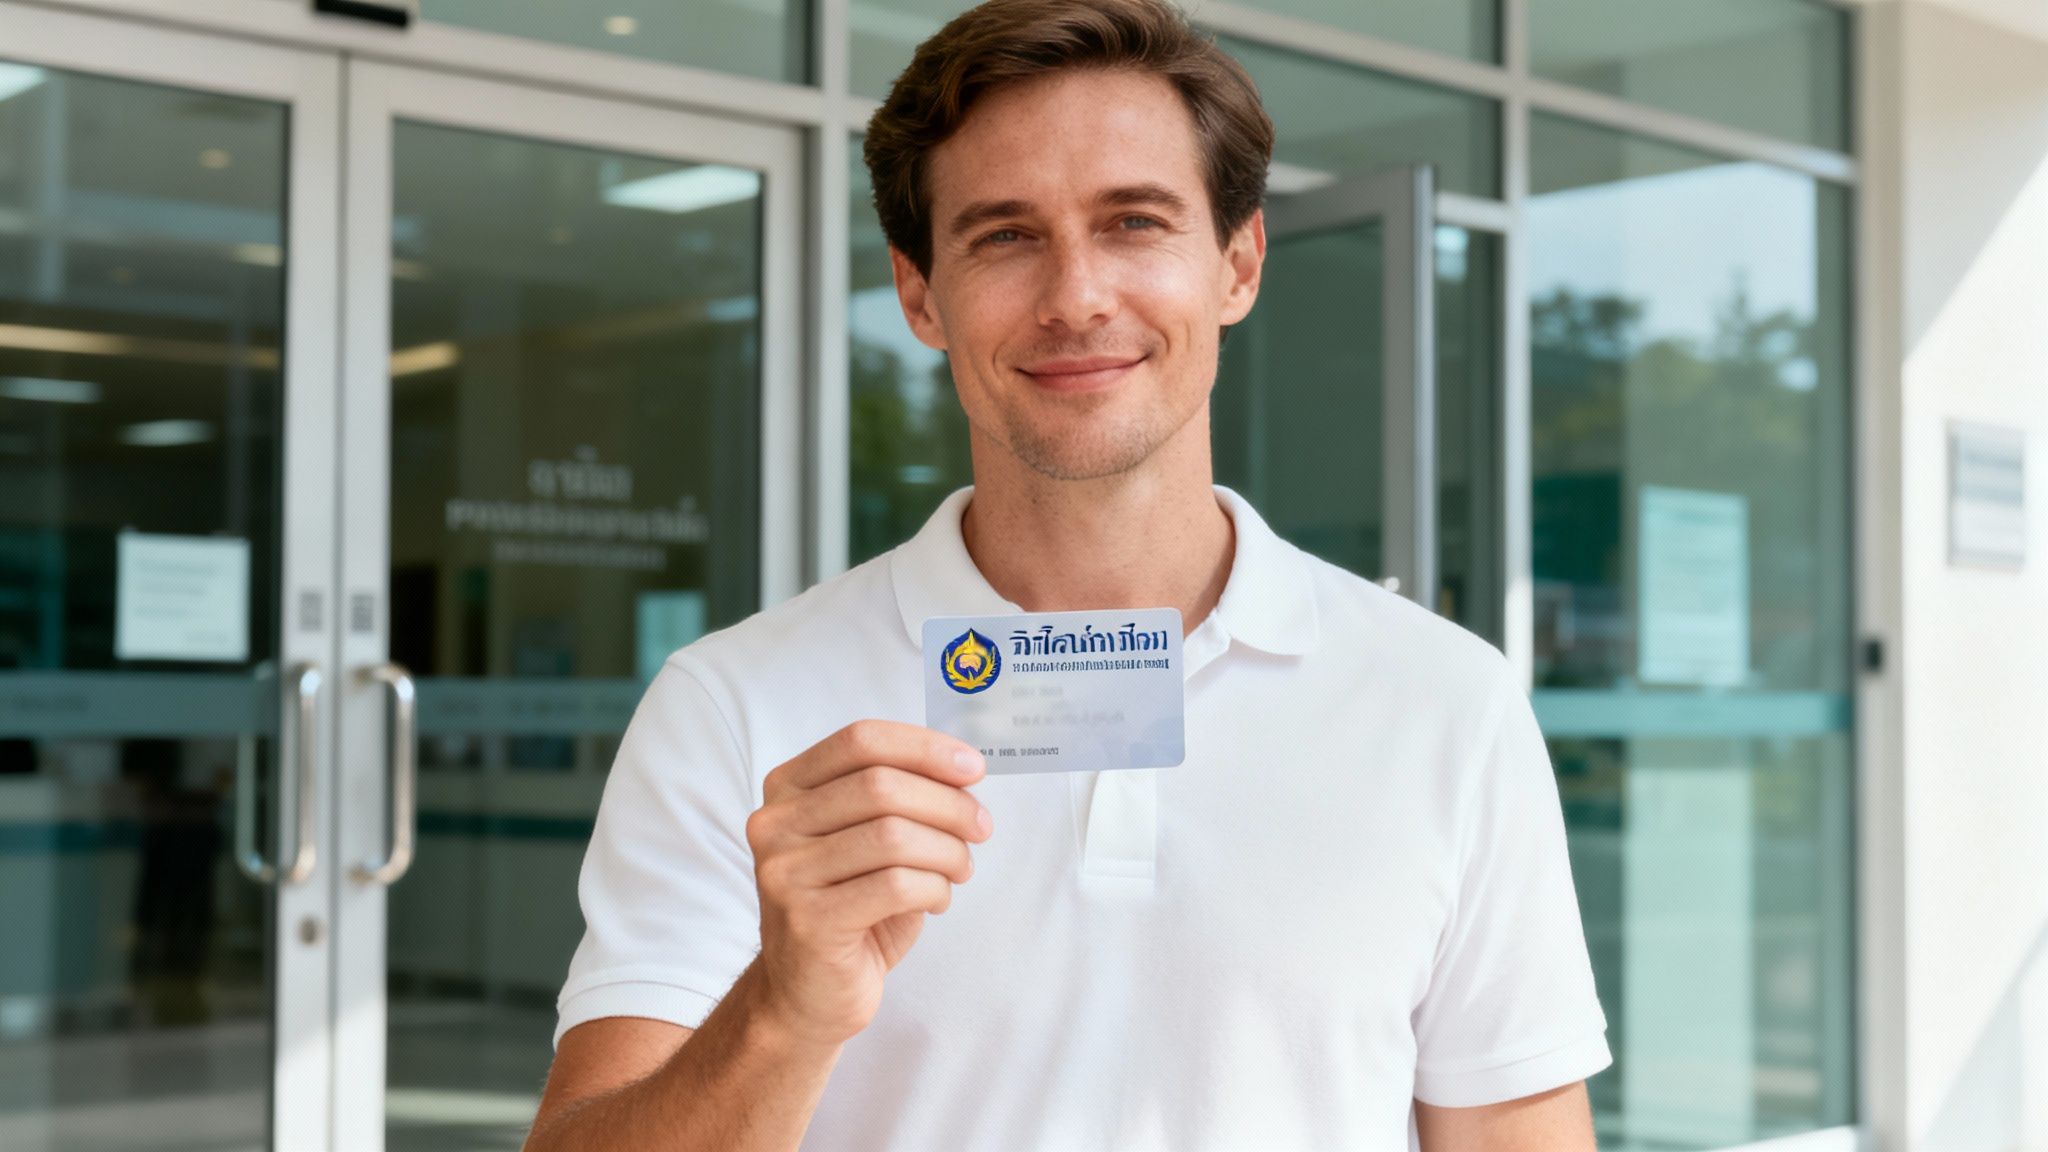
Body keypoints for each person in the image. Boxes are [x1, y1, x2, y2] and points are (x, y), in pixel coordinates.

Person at [524, 1, 1611, 1148]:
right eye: (1003, 235)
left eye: (1133, 222)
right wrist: (783, 1012)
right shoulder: (734, 706)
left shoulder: (1443, 702)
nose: (1075, 297)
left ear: (1237, 264)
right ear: (919, 294)